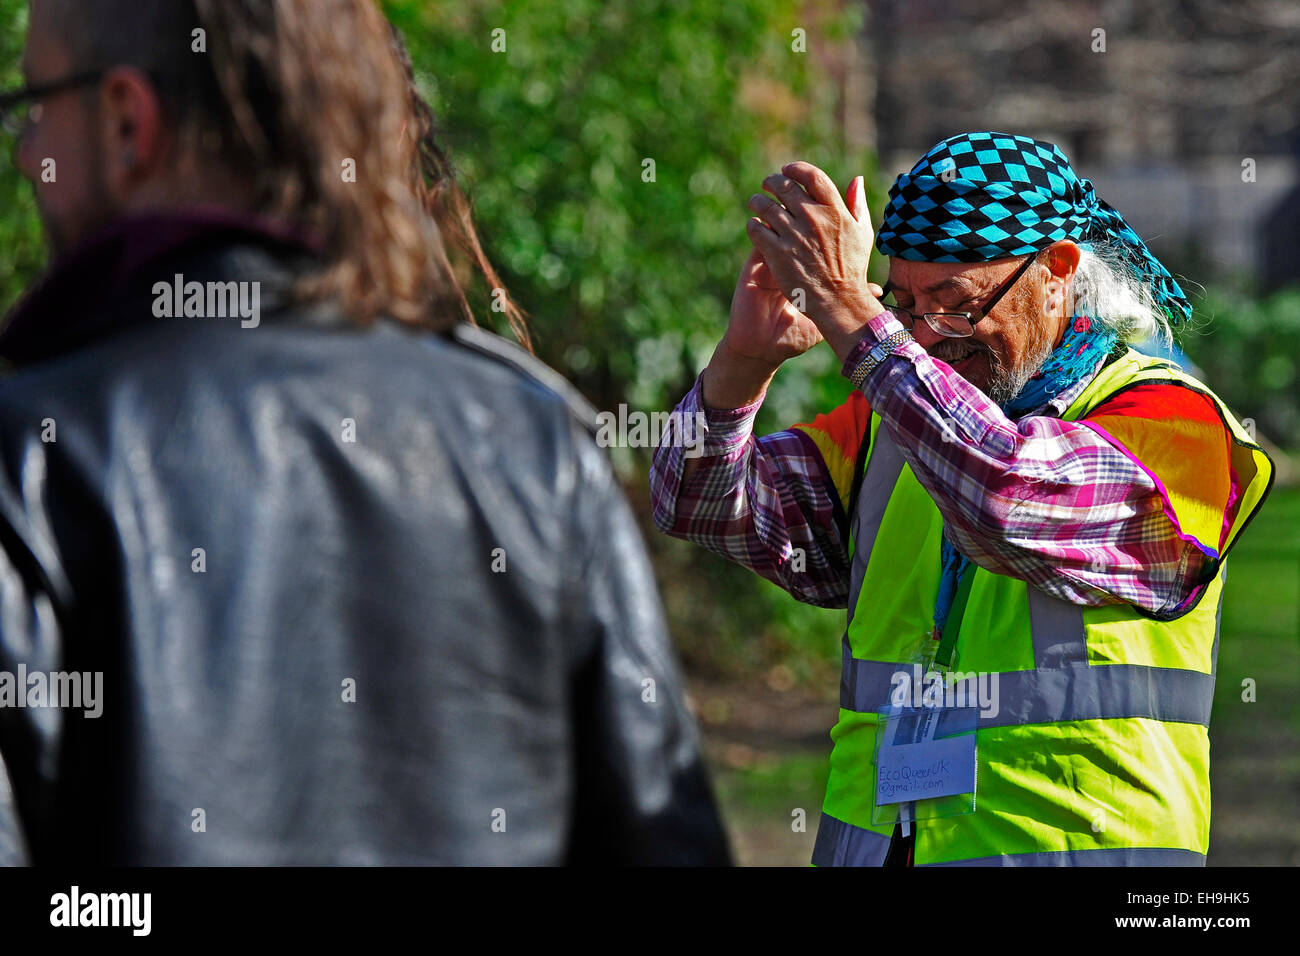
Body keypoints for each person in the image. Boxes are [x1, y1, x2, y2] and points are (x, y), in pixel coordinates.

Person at [0, 0, 729, 865]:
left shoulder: (30, 452)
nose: (25, 151)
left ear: (127, 120)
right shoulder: (533, 440)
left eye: (35, 104)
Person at [651, 132, 1274, 866]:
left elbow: (1007, 500)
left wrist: (854, 315)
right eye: (905, 305)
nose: (926, 339)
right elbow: (695, 501)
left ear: (1056, 272)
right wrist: (742, 364)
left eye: (954, 305)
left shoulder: (1175, 423)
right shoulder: (901, 419)